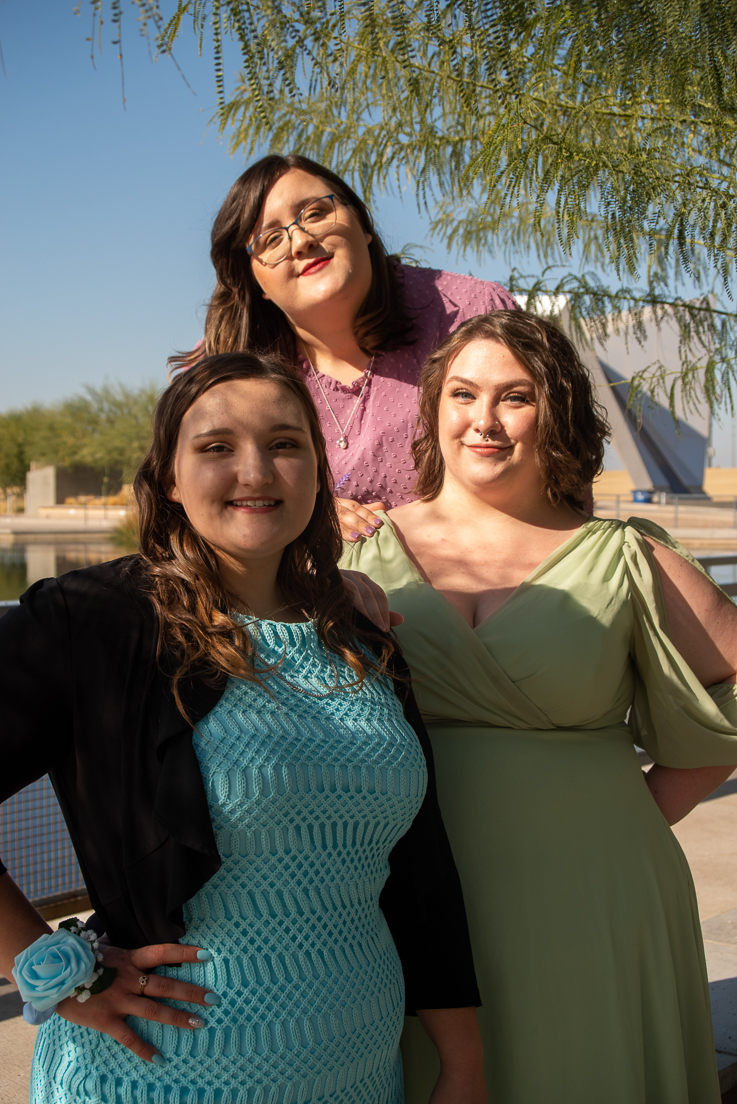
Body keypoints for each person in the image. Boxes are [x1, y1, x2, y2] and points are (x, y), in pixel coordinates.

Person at [0, 353, 487, 1104]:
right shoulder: (94, 621)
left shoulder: (362, 637)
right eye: (216, 446)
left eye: (285, 443)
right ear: (169, 476)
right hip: (160, 1074)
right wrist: (56, 972)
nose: (255, 471)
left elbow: (421, 872)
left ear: (318, 472)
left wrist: (462, 1065)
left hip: (359, 1068)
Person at [341, 310, 737, 1104]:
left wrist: (641, 807)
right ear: (433, 409)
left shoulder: (624, 553)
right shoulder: (353, 551)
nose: (483, 420)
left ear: (555, 413)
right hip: (404, 889)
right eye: (462, 394)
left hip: (596, 884)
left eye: (514, 397)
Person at [170, 153, 518, 542]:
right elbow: (194, 507)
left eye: (316, 213)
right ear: (255, 282)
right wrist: (302, 513)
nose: (301, 241)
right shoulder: (221, 371)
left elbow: (548, 459)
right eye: (270, 240)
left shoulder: (470, 314)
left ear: (363, 225)